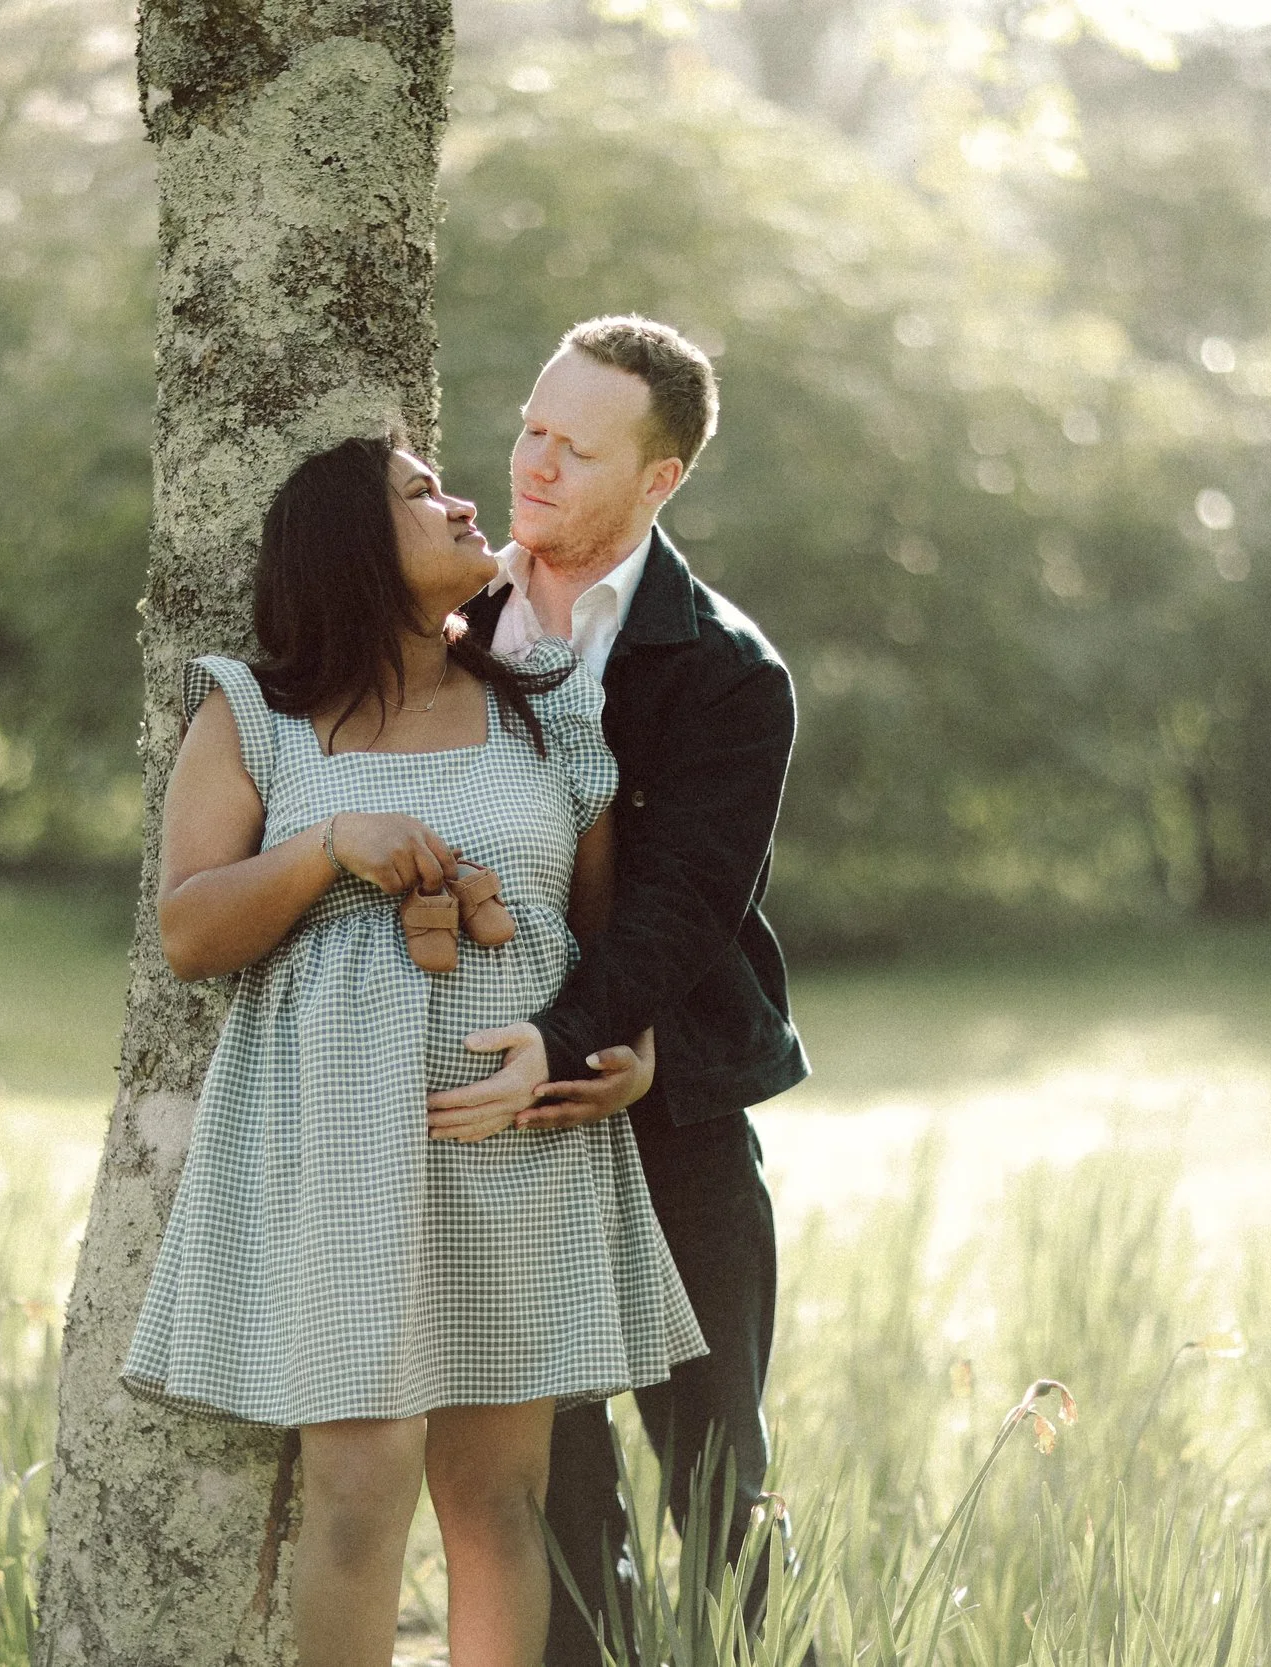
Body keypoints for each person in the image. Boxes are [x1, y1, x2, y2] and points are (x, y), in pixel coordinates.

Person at [119, 434, 704, 1667]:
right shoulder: (255, 712)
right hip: (342, 1144)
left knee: (500, 1497)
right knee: (356, 1493)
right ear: (347, 544)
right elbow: (186, 928)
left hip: (515, 1142)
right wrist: (328, 844)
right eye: (421, 492)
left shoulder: (547, 712)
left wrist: (625, 1051)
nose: (462, 501)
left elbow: (603, 943)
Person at [430, 316, 810, 1664]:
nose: (531, 464)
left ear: (661, 479)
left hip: (674, 1112)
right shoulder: (440, 616)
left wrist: (579, 1040)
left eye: (575, 449)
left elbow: (685, 902)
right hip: (492, 1111)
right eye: (531, 427)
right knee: (556, 1492)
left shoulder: (726, 671)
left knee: (719, 1479)